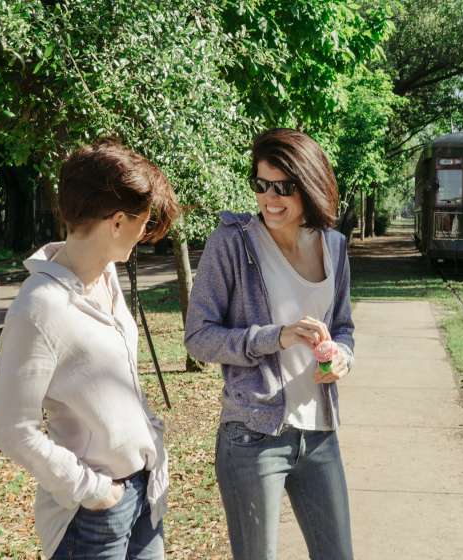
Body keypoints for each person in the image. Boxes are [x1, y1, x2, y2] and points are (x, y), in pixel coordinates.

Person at [0, 139, 180, 559]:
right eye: (143, 223)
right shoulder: (40, 307)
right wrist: (92, 490)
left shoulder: (106, 279)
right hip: (93, 519)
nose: (145, 235)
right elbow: (8, 427)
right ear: (115, 222)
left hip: (144, 491)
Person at [184, 128, 356, 560]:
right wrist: (273, 337)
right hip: (252, 436)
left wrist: (342, 357)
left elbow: (344, 326)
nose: (269, 199)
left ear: (310, 185)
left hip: (319, 434)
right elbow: (198, 337)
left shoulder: (333, 246)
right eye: (261, 185)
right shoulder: (233, 243)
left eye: (284, 188)